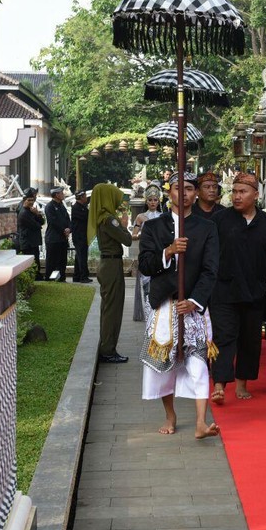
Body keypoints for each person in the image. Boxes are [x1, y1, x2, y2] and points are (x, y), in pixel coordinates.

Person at [138, 173, 220, 439]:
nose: (183, 193)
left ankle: (200, 422)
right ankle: (170, 415)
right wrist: (169, 251)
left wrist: (195, 301)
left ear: (195, 194)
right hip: (165, 304)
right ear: (168, 193)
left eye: (188, 188)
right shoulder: (153, 228)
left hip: (192, 306)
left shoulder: (206, 228)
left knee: (197, 362)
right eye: (177, 188)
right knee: (165, 363)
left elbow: (210, 269)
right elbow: (145, 265)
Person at [210, 173, 266, 402]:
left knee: (249, 339)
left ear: (256, 195)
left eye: (242, 192)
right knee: (224, 337)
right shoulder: (220, 220)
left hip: (254, 290)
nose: (237, 196)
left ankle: (242, 384)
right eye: (234, 192)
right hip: (224, 290)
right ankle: (219, 385)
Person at [89, 184, 132, 364]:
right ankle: (108, 350)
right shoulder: (109, 220)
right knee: (112, 310)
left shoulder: (104, 218)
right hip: (111, 265)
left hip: (109, 263)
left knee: (109, 308)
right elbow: (128, 240)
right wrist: (124, 224)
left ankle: (107, 347)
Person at [132, 184, 162, 321]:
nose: (153, 202)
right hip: (146, 252)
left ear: (159, 201)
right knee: (146, 284)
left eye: (155, 200)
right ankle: (148, 312)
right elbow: (134, 234)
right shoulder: (140, 217)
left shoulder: (163, 217)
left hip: (160, 254)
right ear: (146, 201)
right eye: (150, 200)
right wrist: (143, 235)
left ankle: (158, 313)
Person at [44, 187, 71, 281]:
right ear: (56, 195)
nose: (63, 194)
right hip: (53, 239)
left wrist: (69, 229)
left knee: (62, 261)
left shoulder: (61, 206)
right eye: (61, 193)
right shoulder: (50, 207)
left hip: (62, 238)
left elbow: (67, 219)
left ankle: (61, 278)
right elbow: (53, 222)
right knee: (52, 261)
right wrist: (64, 229)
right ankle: (50, 279)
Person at [17, 191, 45, 280]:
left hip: (33, 241)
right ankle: (34, 277)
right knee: (30, 262)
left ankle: (37, 276)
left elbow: (42, 222)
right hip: (27, 242)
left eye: (32, 200)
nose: (31, 202)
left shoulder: (32, 210)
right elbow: (37, 225)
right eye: (29, 200)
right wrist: (38, 222)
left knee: (36, 260)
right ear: (24, 201)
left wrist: (37, 214)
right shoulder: (23, 213)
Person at [71, 190, 91, 283]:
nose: (86, 198)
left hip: (83, 235)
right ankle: (83, 277)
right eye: (85, 196)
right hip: (79, 236)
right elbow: (86, 217)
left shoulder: (83, 207)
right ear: (81, 197)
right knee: (81, 256)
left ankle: (77, 276)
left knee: (79, 256)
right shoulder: (76, 208)